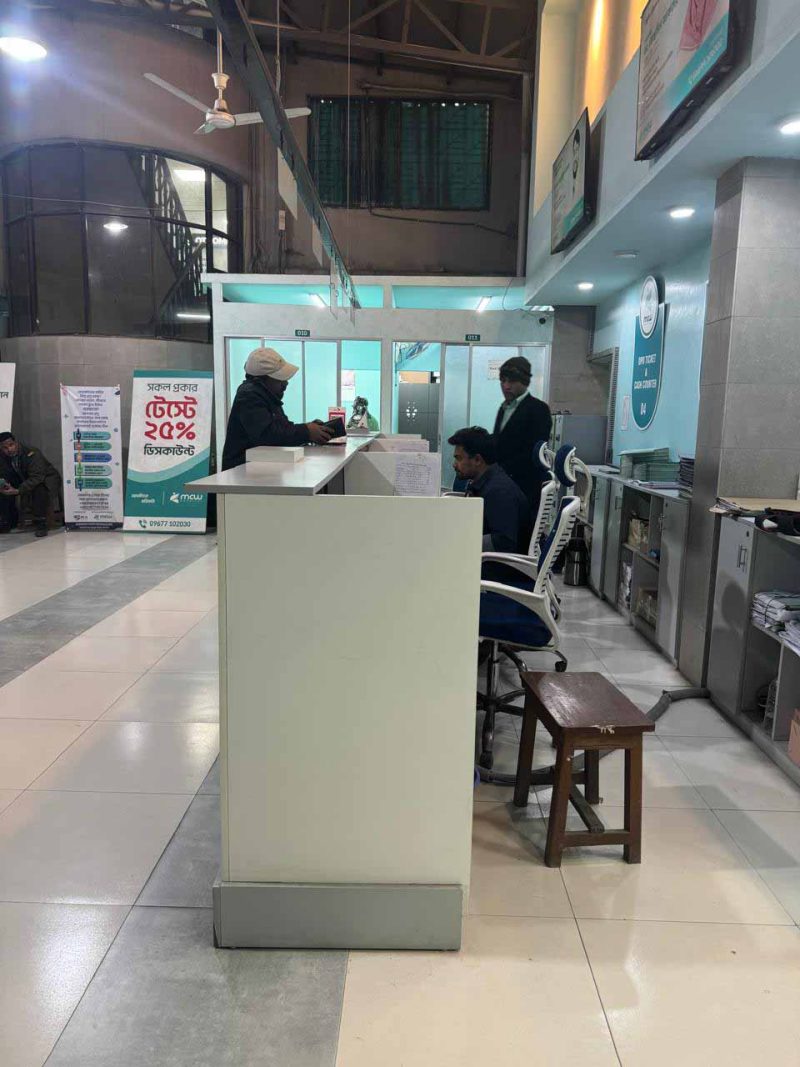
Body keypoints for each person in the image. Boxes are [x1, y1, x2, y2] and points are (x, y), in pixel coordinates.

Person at [222, 346, 335, 470]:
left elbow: (281, 428)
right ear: (263, 379)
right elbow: (268, 434)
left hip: (258, 469)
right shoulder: (249, 396)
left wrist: (309, 429)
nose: (285, 384)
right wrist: (306, 431)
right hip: (243, 471)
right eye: (280, 380)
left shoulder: (267, 396)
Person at [448, 426, 532, 561]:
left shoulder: (499, 491)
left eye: (458, 458)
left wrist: (461, 543)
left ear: (477, 460)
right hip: (482, 559)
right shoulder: (483, 483)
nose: (454, 464)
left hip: (497, 567)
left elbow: (504, 542)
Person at [493, 355, 552, 516]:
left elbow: (532, 452)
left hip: (524, 489)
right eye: (503, 381)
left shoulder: (538, 409)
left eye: (511, 381)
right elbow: (499, 443)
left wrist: (498, 470)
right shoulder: (504, 408)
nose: (506, 386)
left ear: (524, 382)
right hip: (502, 486)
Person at [0, 432, 62, 538]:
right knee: (3, 489)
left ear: (16, 443)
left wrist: (18, 490)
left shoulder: (31, 453)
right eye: (5, 448)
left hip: (46, 479)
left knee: (39, 488)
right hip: (24, 479)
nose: (9, 449)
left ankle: (41, 523)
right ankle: (8, 521)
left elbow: (37, 477)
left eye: (11, 445)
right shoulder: (2, 456)